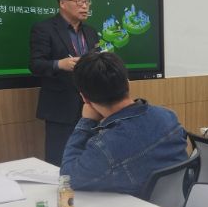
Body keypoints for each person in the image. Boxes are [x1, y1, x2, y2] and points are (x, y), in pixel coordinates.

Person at [60, 52, 189, 197]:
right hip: (180, 206)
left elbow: (68, 178)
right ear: (128, 83)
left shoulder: (104, 147)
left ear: (84, 98)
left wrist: (86, 123)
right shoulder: (168, 116)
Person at [29, 0, 100, 166]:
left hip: (91, 105)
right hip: (61, 107)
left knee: (90, 157)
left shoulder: (91, 32)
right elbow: (35, 65)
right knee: (59, 159)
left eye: (87, 2)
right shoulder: (44, 29)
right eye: (79, 1)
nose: (85, 6)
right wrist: (60, 64)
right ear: (63, 3)